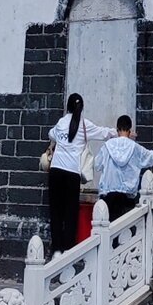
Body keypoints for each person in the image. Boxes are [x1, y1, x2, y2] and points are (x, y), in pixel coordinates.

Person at [47, 94, 116, 252]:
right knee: (71, 212)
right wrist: (118, 133)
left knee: (56, 211)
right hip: (72, 174)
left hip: (56, 172)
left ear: (68, 107)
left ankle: (56, 249)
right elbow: (102, 133)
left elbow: (51, 134)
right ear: (81, 108)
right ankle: (68, 249)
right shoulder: (85, 125)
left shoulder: (60, 123)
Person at [95, 117, 153, 222]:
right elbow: (150, 157)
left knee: (107, 228)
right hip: (127, 197)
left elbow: (97, 164)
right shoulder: (135, 147)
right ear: (129, 130)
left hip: (109, 194)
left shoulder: (107, 146)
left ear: (117, 129)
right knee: (125, 230)